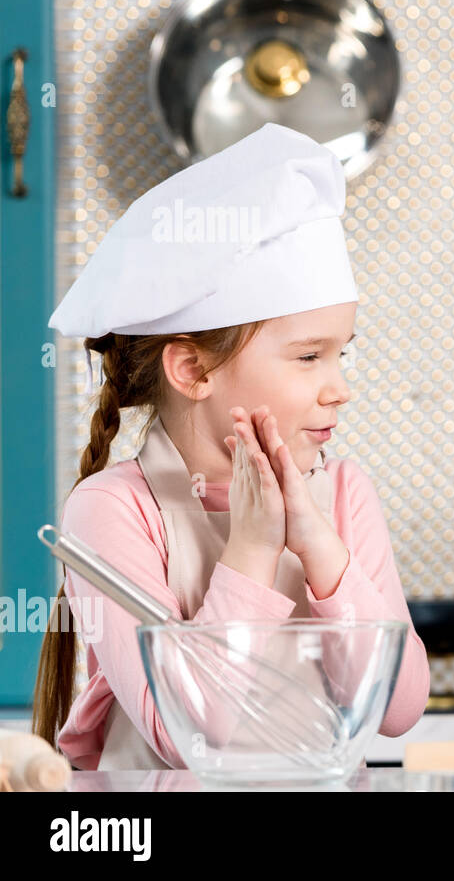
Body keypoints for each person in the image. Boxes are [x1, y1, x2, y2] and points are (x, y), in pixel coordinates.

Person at [33, 123, 430, 770]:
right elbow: (187, 728)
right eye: (308, 356)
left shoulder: (344, 494)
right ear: (192, 371)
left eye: (342, 354)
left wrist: (321, 550)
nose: (340, 389)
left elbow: (399, 706)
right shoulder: (111, 511)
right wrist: (251, 547)